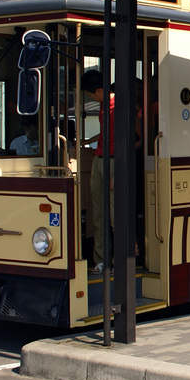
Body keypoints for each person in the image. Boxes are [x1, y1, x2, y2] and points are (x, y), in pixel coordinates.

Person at [82, 69, 115, 274]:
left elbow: (128, 137)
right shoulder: (104, 106)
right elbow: (106, 133)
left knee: (114, 214)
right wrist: (88, 141)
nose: (91, 99)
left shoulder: (118, 105)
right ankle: (101, 259)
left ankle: (120, 259)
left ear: (100, 90)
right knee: (98, 212)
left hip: (113, 162)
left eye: (91, 94)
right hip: (99, 159)